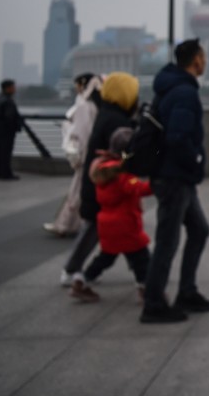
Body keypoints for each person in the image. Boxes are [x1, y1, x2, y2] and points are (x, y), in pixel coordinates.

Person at [141, 38, 209, 323]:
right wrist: (196, 161)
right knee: (168, 241)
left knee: (199, 230)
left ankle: (187, 292)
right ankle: (153, 304)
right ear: (196, 60)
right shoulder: (184, 92)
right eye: (203, 56)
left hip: (173, 176)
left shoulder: (170, 87)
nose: (205, 61)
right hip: (174, 178)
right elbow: (178, 138)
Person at [61, 72, 140, 289]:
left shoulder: (106, 113)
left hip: (99, 182)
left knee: (115, 232)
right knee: (98, 231)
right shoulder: (117, 120)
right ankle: (73, 270)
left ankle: (141, 270)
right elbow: (125, 151)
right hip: (107, 186)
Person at [71, 127, 153, 303]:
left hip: (107, 223)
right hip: (125, 224)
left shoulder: (103, 169)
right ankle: (145, 288)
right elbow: (139, 188)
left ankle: (82, 279)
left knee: (106, 257)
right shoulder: (122, 174)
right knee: (141, 257)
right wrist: (155, 183)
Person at [45, 73, 103, 237]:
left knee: (77, 191)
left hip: (84, 153)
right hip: (92, 153)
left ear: (82, 84)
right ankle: (70, 223)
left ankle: (67, 224)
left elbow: (81, 133)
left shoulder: (83, 105)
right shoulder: (95, 104)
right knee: (81, 190)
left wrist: (76, 154)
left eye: (77, 84)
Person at [0, 79, 22, 180]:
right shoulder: (8, 101)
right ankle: (6, 174)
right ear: (8, 88)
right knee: (6, 152)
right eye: (13, 87)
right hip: (7, 130)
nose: (15, 89)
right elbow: (10, 116)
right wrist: (16, 126)